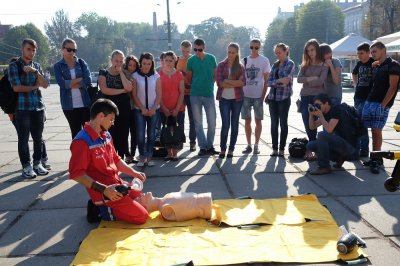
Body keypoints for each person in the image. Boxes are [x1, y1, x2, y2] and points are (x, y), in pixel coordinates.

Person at [69, 98, 148, 224]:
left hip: (116, 185)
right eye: (111, 119)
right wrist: (105, 190)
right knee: (141, 217)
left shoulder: (105, 135)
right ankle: (101, 210)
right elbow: (77, 174)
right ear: (101, 116)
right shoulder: (81, 142)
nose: (113, 123)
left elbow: (116, 160)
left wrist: (135, 173)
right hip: (104, 191)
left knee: (142, 201)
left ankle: (99, 206)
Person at [8, 38, 49, 178]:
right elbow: (16, 88)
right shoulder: (14, 66)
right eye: (28, 49)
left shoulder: (36, 66)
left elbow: (45, 84)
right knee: (23, 138)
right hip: (22, 108)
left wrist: (35, 72)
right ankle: (26, 166)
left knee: (38, 138)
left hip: (38, 107)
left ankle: (37, 163)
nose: (31, 52)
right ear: (22, 50)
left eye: (34, 50)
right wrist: (34, 86)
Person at [362, 41, 400, 166]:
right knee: (372, 130)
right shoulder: (377, 65)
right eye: (371, 52)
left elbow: (393, 87)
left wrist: (383, 105)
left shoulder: (393, 65)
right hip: (370, 101)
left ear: (383, 50)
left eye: (374, 51)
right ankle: (374, 157)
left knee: (377, 131)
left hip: (381, 103)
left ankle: (378, 159)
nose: (372, 54)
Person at [306, 94, 358, 175]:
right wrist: (311, 114)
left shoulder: (336, 110)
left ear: (326, 103)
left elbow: (329, 130)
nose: (317, 107)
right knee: (310, 145)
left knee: (322, 135)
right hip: (341, 144)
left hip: (350, 147)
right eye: (315, 105)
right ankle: (339, 158)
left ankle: (324, 167)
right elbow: (312, 127)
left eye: (318, 105)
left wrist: (320, 116)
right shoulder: (325, 112)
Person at [54, 38, 92, 139]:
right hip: (69, 106)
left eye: (74, 50)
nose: (72, 52)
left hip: (85, 103)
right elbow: (62, 84)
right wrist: (79, 79)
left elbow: (88, 80)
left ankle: (90, 155)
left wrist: (70, 84)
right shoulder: (58, 66)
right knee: (76, 134)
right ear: (62, 49)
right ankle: (77, 155)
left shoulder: (81, 63)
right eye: (69, 49)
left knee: (89, 133)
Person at [186, 38, 219, 156]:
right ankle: (202, 146)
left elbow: (215, 76)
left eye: (199, 49)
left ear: (204, 48)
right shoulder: (191, 61)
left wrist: (209, 85)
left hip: (209, 94)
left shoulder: (211, 58)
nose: (197, 52)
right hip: (195, 94)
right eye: (195, 49)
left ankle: (210, 145)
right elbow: (188, 79)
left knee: (212, 122)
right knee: (198, 122)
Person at [297, 39, 328, 160]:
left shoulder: (324, 64)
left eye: (312, 50)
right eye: (308, 50)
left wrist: (307, 79)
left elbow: (321, 81)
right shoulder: (305, 64)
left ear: (317, 49)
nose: (310, 52)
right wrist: (312, 78)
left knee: (316, 122)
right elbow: (299, 80)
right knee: (307, 121)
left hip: (317, 98)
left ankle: (317, 148)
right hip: (304, 97)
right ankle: (311, 146)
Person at [98, 50, 132, 159]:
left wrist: (121, 72)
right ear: (111, 60)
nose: (118, 63)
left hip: (124, 107)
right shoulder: (104, 72)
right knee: (110, 132)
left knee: (123, 132)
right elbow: (104, 90)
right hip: (109, 108)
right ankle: (109, 157)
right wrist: (121, 91)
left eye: (121, 61)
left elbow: (129, 88)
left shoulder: (125, 72)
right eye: (116, 60)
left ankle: (121, 157)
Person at [241, 39, 271, 155]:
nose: (254, 49)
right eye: (252, 47)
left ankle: (256, 145)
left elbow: (267, 80)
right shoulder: (244, 60)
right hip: (245, 95)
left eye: (256, 47)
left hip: (258, 95)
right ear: (249, 47)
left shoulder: (264, 61)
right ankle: (249, 145)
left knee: (258, 122)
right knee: (247, 122)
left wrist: (263, 96)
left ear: (260, 48)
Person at [132, 52, 162, 167]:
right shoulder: (135, 76)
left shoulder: (156, 76)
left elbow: (159, 94)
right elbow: (134, 95)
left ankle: (149, 156)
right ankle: (142, 156)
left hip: (154, 110)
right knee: (140, 134)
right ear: (140, 63)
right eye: (144, 63)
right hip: (139, 110)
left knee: (151, 134)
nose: (146, 66)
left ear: (152, 64)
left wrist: (153, 108)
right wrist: (142, 108)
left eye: (149, 63)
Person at [216, 42, 245, 158]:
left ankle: (231, 149)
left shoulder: (240, 66)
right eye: (229, 52)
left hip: (237, 99)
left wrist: (227, 81)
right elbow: (219, 83)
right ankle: (223, 149)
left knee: (234, 125)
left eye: (233, 52)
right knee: (226, 125)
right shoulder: (221, 65)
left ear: (237, 53)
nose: (231, 55)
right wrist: (234, 82)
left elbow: (243, 83)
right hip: (224, 99)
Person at [266, 43, 295, 157]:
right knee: (274, 124)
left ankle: (282, 149)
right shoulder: (275, 65)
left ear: (286, 51)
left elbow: (286, 81)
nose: (277, 55)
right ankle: (274, 149)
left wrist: (276, 82)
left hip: (284, 98)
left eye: (279, 52)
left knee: (283, 123)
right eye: (276, 53)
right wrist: (279, 81)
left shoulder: (290, 63)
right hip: (272, 98)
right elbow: (268, 82)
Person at [159, 51, 185, 160]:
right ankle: (168, 153)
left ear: (175, 61)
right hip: (163, 108)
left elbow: (182, 92)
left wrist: (177, 108)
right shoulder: (159, 75)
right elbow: (158, 93)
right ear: (163, 62)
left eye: (171, 60)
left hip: (178, 108)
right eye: (166, 60)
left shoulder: (179, 74)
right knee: (166, 131)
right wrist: (164, 108)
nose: (168, 63)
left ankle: (175, 153)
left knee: (177, 130)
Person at [352, 42, 374, 158]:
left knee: (361, 122)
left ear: (368, 52)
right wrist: (355, 84)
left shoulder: (373, 63)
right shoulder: (359, 63)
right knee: (357, 122)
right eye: (358, 53)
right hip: (358, 96)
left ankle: (364, 149)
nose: (359, 55)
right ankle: (358, 148)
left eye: (361, 53)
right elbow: (354, 73)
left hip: (368, 98)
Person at [137, 191, 212, 222]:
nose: (140, 194)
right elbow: (185, 213)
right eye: (139, 199)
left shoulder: (165, 199)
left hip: (203, 200)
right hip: (204, 206)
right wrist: (200, 210)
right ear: (145, 207)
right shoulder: (165, 211)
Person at [176, 40, 196, 151]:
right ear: (180, 49)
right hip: (180, 93)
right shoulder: (178, 60)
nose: (185, 53)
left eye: (187, 51)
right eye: (183, 51)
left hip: (191, 92)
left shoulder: (193, 59)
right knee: (180, 118)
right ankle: (180, 141)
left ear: (191, 50)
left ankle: (192, 142)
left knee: (193, 118)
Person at [123, 55, 140, 164]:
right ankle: (127, 155)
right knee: (124, 132)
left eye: (134, 66)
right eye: (130, 65)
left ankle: (132, 154)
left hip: (135, 107)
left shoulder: (138, 75)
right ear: (126, 64)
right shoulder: (122, 73)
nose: (132, 68)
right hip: (124, 107)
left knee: (135, 132)